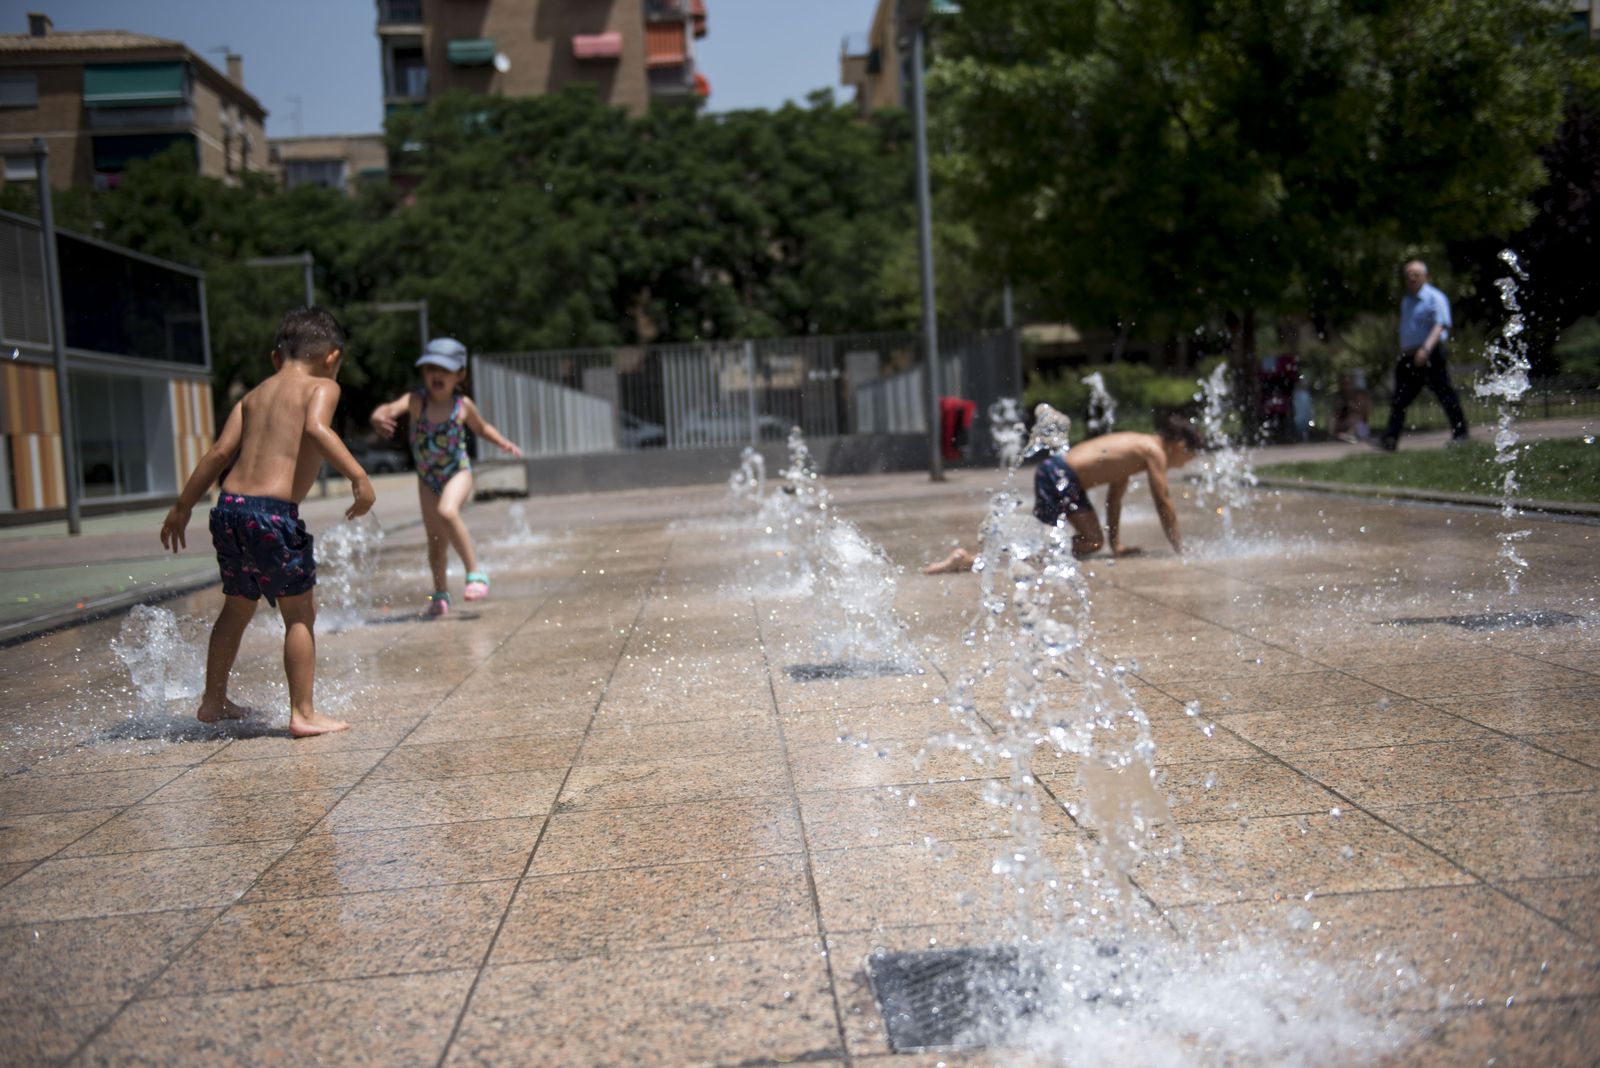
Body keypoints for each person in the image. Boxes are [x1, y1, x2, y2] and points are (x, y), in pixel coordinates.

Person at [159, 307, 374, 737]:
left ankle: (213, 699)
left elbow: (219, 453)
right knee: (300, 613)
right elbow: (316, 429)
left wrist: (182, 505)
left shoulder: (253, 397)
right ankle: (303, 713)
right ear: (333, 357)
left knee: (237, 605)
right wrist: (358, 476)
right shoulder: (323, 387)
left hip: (229, 509)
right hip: (272, 515)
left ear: (276, 358)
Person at [369, 338, 524, 616]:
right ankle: (440, 594)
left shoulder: (463, 405)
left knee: (448, 511)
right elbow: (388, 409)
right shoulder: (417, 401)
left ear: (459, 374)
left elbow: (482, 428)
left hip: (458, 472)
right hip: (427, 479)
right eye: (431, 369)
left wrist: (502, 442)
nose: (436, 375)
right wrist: (377, 418)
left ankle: (475, 573)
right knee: (436, 541)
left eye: (444, 370)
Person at [922, 420, 1201, 572]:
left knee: (1075, 541)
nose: (1184, 465)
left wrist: (1116, 545)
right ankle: (971, 560)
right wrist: (1179, 548)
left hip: (1059, 474)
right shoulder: (1153, 451)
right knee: (1086, 542)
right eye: (1188, 457)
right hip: (1060, 475)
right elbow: (1163, 501)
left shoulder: (1137, 447)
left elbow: (1114, 499)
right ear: (1179, 445)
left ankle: (986, 557)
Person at [1379, 260, 1469, 450]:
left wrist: (1426, 349)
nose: (1412, 278)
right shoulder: (1406, 300)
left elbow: (1441, 324)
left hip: (1429, 353)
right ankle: (1390, 439)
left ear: (1425, 276)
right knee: (1399, 399)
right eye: (1408, 275)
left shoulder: (1434, 297)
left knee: (1445, 394)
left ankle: (1461, 434)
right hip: (1409, 355)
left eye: (1416, 274)